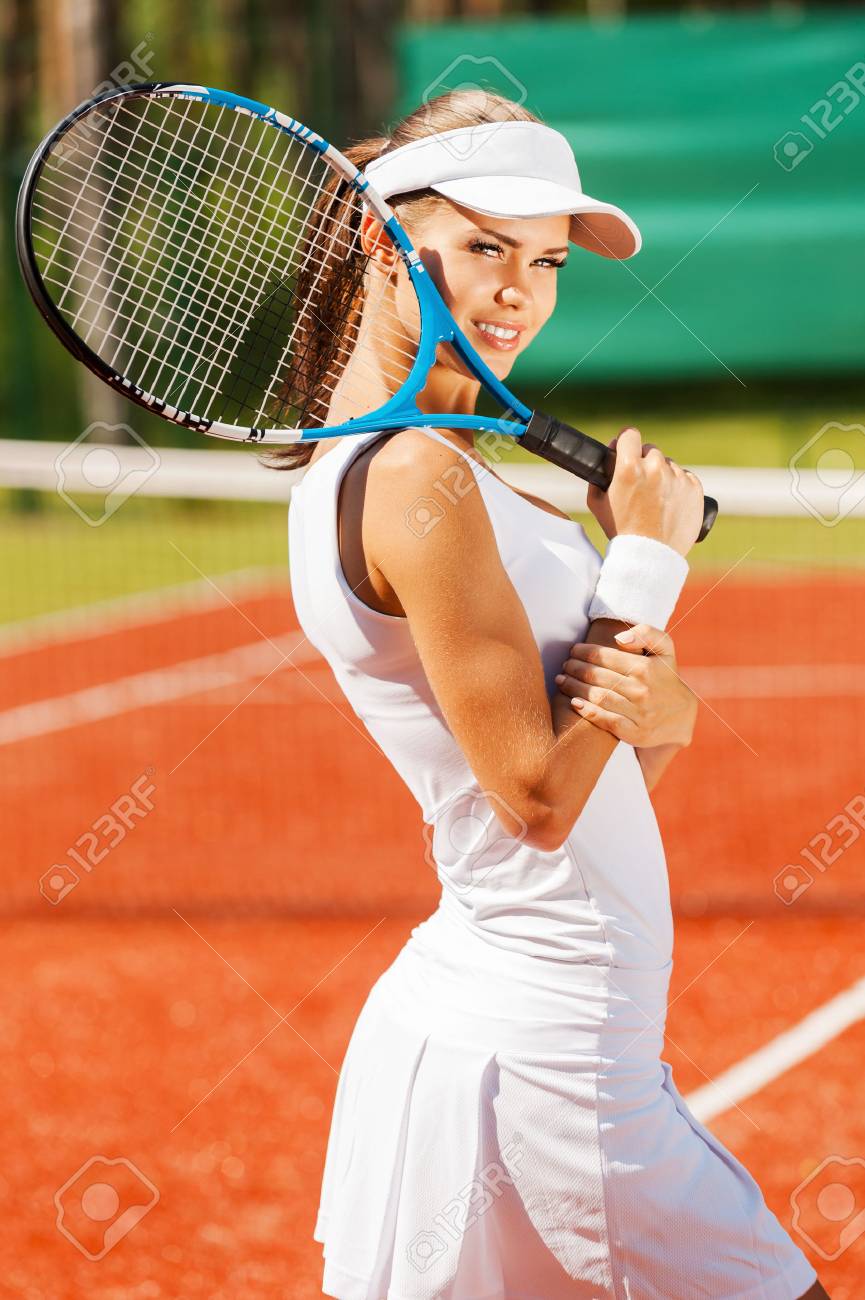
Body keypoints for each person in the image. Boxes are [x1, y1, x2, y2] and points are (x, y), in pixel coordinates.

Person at [282, 91, 828, 1300]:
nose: (517, 294)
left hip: (518, 1019)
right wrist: (645, 565)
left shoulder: (429, 466)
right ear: (386, 242)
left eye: (543, 262)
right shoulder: (417, 475)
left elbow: (607, 773)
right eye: (480, 248)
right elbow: (535, 795)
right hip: (546, 1046)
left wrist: (652, 699)